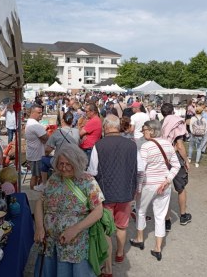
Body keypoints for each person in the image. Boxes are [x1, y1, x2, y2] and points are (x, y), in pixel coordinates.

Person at [33, 144, 104, 277]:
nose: (63, 168)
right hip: (50, 244)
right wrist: (39, 227)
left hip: (74, 245)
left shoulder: (88, 181)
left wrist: (75, 229)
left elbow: (98, 211)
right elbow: (40, 202)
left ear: (77, 163)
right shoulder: (54, 178)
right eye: (61, 164)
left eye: (68, 164)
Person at [88, 114, 138, 277]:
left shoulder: (99, 145)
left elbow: (93, 171)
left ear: (105, 127)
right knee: (122, 226)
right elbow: (139, 169)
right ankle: (120, 253)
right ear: (117, 127)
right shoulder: (132, 145)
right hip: (126, 192)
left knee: (107, 230)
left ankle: (108, 269)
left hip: (106, 194)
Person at [129, 120, 180, 261]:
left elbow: (140, 170)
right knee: (160, 216)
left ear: (151, 130)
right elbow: (176, 165)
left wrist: (137, 189)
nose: (142, 131)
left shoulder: (145, 147)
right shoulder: (168, 144)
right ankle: (158, 247)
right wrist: (168, 180)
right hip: (164, 185)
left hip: (148, 184)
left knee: (140, 210)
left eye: (144, 129)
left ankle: (140, 238)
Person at [161, 103, 191, 230]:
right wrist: (186, 160)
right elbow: (179, 145)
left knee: (166, 189)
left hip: (163, 157)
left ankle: (167, 221)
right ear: (173, 111)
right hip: (175, 158)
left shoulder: (161, 122)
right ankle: (183, 215)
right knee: (181, 188)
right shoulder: (176, 123)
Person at [36, 111, 80, 192]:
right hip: (74, 160)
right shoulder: (77, 132)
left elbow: (47, 150)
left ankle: (44, 184)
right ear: (72, 120)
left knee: (43, 159)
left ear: (62, 121)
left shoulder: (57, 132)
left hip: (61, 162)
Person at [25, 104, 48, 190]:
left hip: (33, 154)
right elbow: (46, 138)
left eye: (41, 112)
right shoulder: (35, 125)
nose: (41, 114)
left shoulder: (30, 122)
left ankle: (34, 191)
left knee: (35, 176)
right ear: (32, 113)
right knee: (36, 176)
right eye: (39, 113)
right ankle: (33, 193)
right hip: (36, 156)